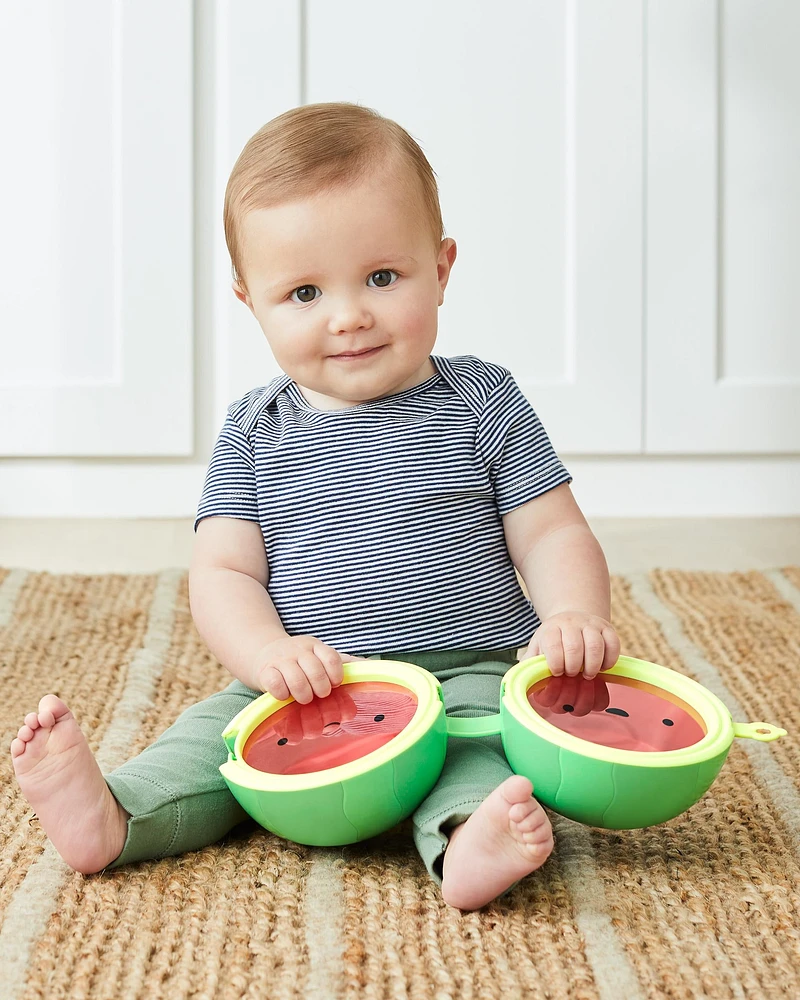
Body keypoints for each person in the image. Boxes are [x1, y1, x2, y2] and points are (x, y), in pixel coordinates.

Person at [10, 102, 621, 912]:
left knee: (491, 752)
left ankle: (469, 840)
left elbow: (550, 531)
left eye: (381, 277)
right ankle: (114, 813)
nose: (348, 315)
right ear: (250, 302)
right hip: (307, 685)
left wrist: (572, 615)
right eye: (303, 291)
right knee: (214, 743)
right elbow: (223, 569)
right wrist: (267, 653)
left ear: (441, 268)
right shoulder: (255, 428)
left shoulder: (482, 401)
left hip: (461, 676)